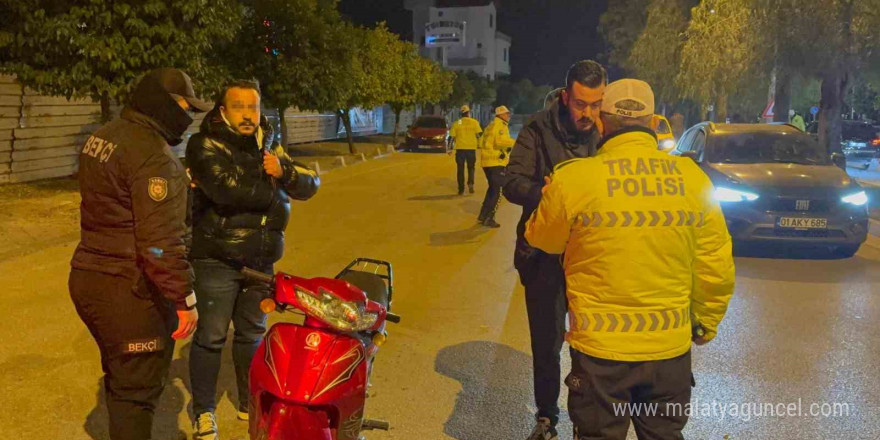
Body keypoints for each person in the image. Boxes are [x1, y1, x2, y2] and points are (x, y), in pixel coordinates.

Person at [525, 79, 735, 440]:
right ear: (654, 123)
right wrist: (704, 322)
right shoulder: (693, 179)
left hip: (600, 356)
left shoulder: (574, 179)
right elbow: (715, 263)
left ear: (602, 123)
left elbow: (542, 240)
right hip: (668, 353)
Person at [69, 68, 210, 440]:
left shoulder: (104, 137)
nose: (189, 115)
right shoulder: (154, 158)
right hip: (128, 291)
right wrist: (184, 298)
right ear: (160, 102)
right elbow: (159, 243)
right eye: (184, 106)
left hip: (89, 277)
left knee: (122, 378)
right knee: (137, 392)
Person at [186, 81, 320, 440]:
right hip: (216, 259)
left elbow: (311, 183)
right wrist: (274, 187)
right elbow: (226, 190)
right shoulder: (204, 144)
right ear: (222, 110)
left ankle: (251, 402)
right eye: (239, 106)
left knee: (251, 335)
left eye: (253, 107)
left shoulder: (270, 145)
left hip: (260, 261)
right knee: (212, 337)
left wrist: (286, 173)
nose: (248, 114)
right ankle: (203, 411)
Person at [503, 59, 606, 440]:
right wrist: (543, 194)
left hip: (591, 255)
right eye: (581, 104)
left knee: (590, 344)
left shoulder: (606, 132)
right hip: (542, 257)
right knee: (546, 345)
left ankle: (587, 420)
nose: (589, 114)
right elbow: (511, 182)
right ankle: (547, 417)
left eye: (596, 104)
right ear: (566, 97)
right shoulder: (537, 128)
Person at [477, 105, 516, 228]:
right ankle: (489, 218)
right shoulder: (501, 126)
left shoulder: (490, 125)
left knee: (492, 190)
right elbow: (499, 141)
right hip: (496, 163)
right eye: (507, 114)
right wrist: (514, 142)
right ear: (501, 115)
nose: (508, 116)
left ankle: (483, 215)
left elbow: (481, 142)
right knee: (497, 192)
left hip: (487, 162)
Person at [449, 104, 483, 195]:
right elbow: (479, 135)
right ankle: (471, 183)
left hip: (460, 149)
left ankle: (461, 189)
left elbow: (451, 137)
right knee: (471, 168)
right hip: (471, 149)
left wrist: (449, 149)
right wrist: (480, 145)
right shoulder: (474, 122)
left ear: (461, 113)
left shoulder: (457, 123)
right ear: (469, 113)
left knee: (460, 169)